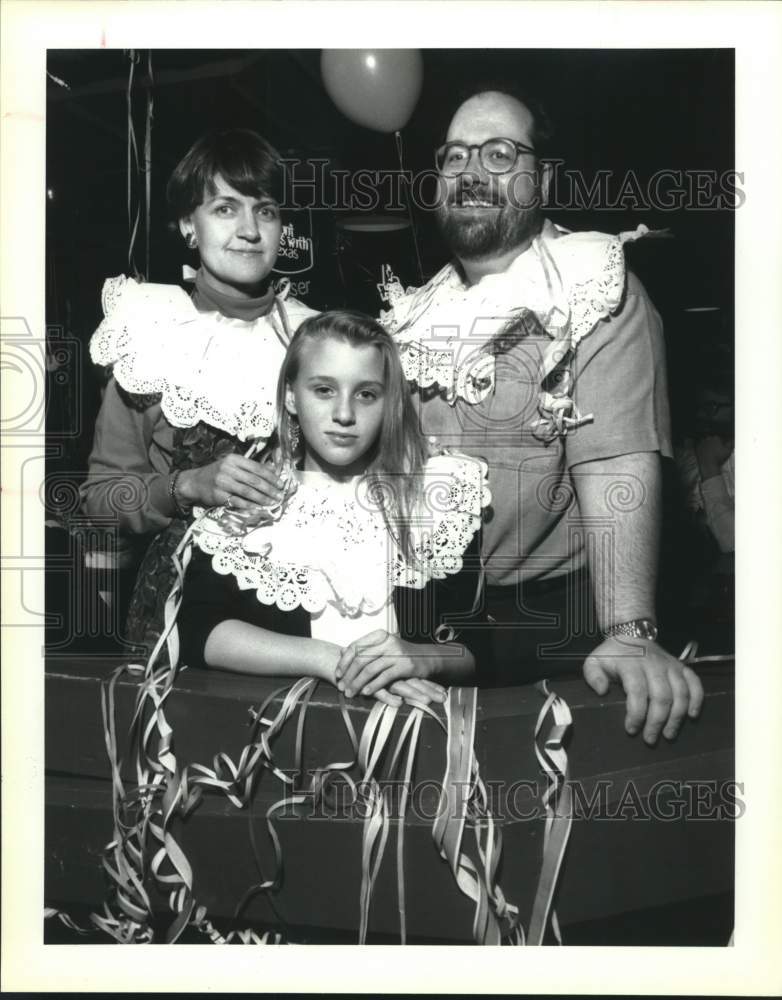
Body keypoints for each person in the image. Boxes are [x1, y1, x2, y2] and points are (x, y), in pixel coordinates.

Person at [381, 84, 704, 744]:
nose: (471, 172)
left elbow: (615, 463)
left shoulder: (592, 288)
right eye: (455, 156)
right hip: (427, 630)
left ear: (545, 179)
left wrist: (629, 631)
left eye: (500, 154)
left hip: (553, 636)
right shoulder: (412, 314)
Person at [80, 128, 317, 656]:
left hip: (297, 606)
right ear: (190, 224)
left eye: (266, 211)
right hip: (178, 619)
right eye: (225, 209)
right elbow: (101, 498)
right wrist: (186, 486)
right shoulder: (148, 331)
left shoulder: (314, 338)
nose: (249, 230)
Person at [177, 311, 489, 707]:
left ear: (389, 403)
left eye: (366, 394)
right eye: (324, 390)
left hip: (410, 734)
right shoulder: (254, 501)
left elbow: (477, 648)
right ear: (291, 396)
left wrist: (424, 657)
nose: (344, 415)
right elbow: (198, 632)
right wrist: (329, 660)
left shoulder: (435, 497)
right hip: (289, 732)